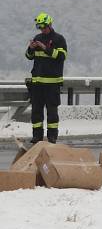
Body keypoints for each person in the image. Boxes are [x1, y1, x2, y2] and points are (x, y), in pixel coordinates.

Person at [25, 13, 68, 143]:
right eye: (39, 27)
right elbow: (28, 56)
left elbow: (61, 56)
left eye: (43, 26)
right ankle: (37, 136)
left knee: (52, 112)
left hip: (52, 84)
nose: (41, 29)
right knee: (36, 112)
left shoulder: (59, 39)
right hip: (37, 84)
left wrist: (46, 48)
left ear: (49, 24)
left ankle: (52, 136)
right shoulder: (37, 38)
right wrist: (31, 48)